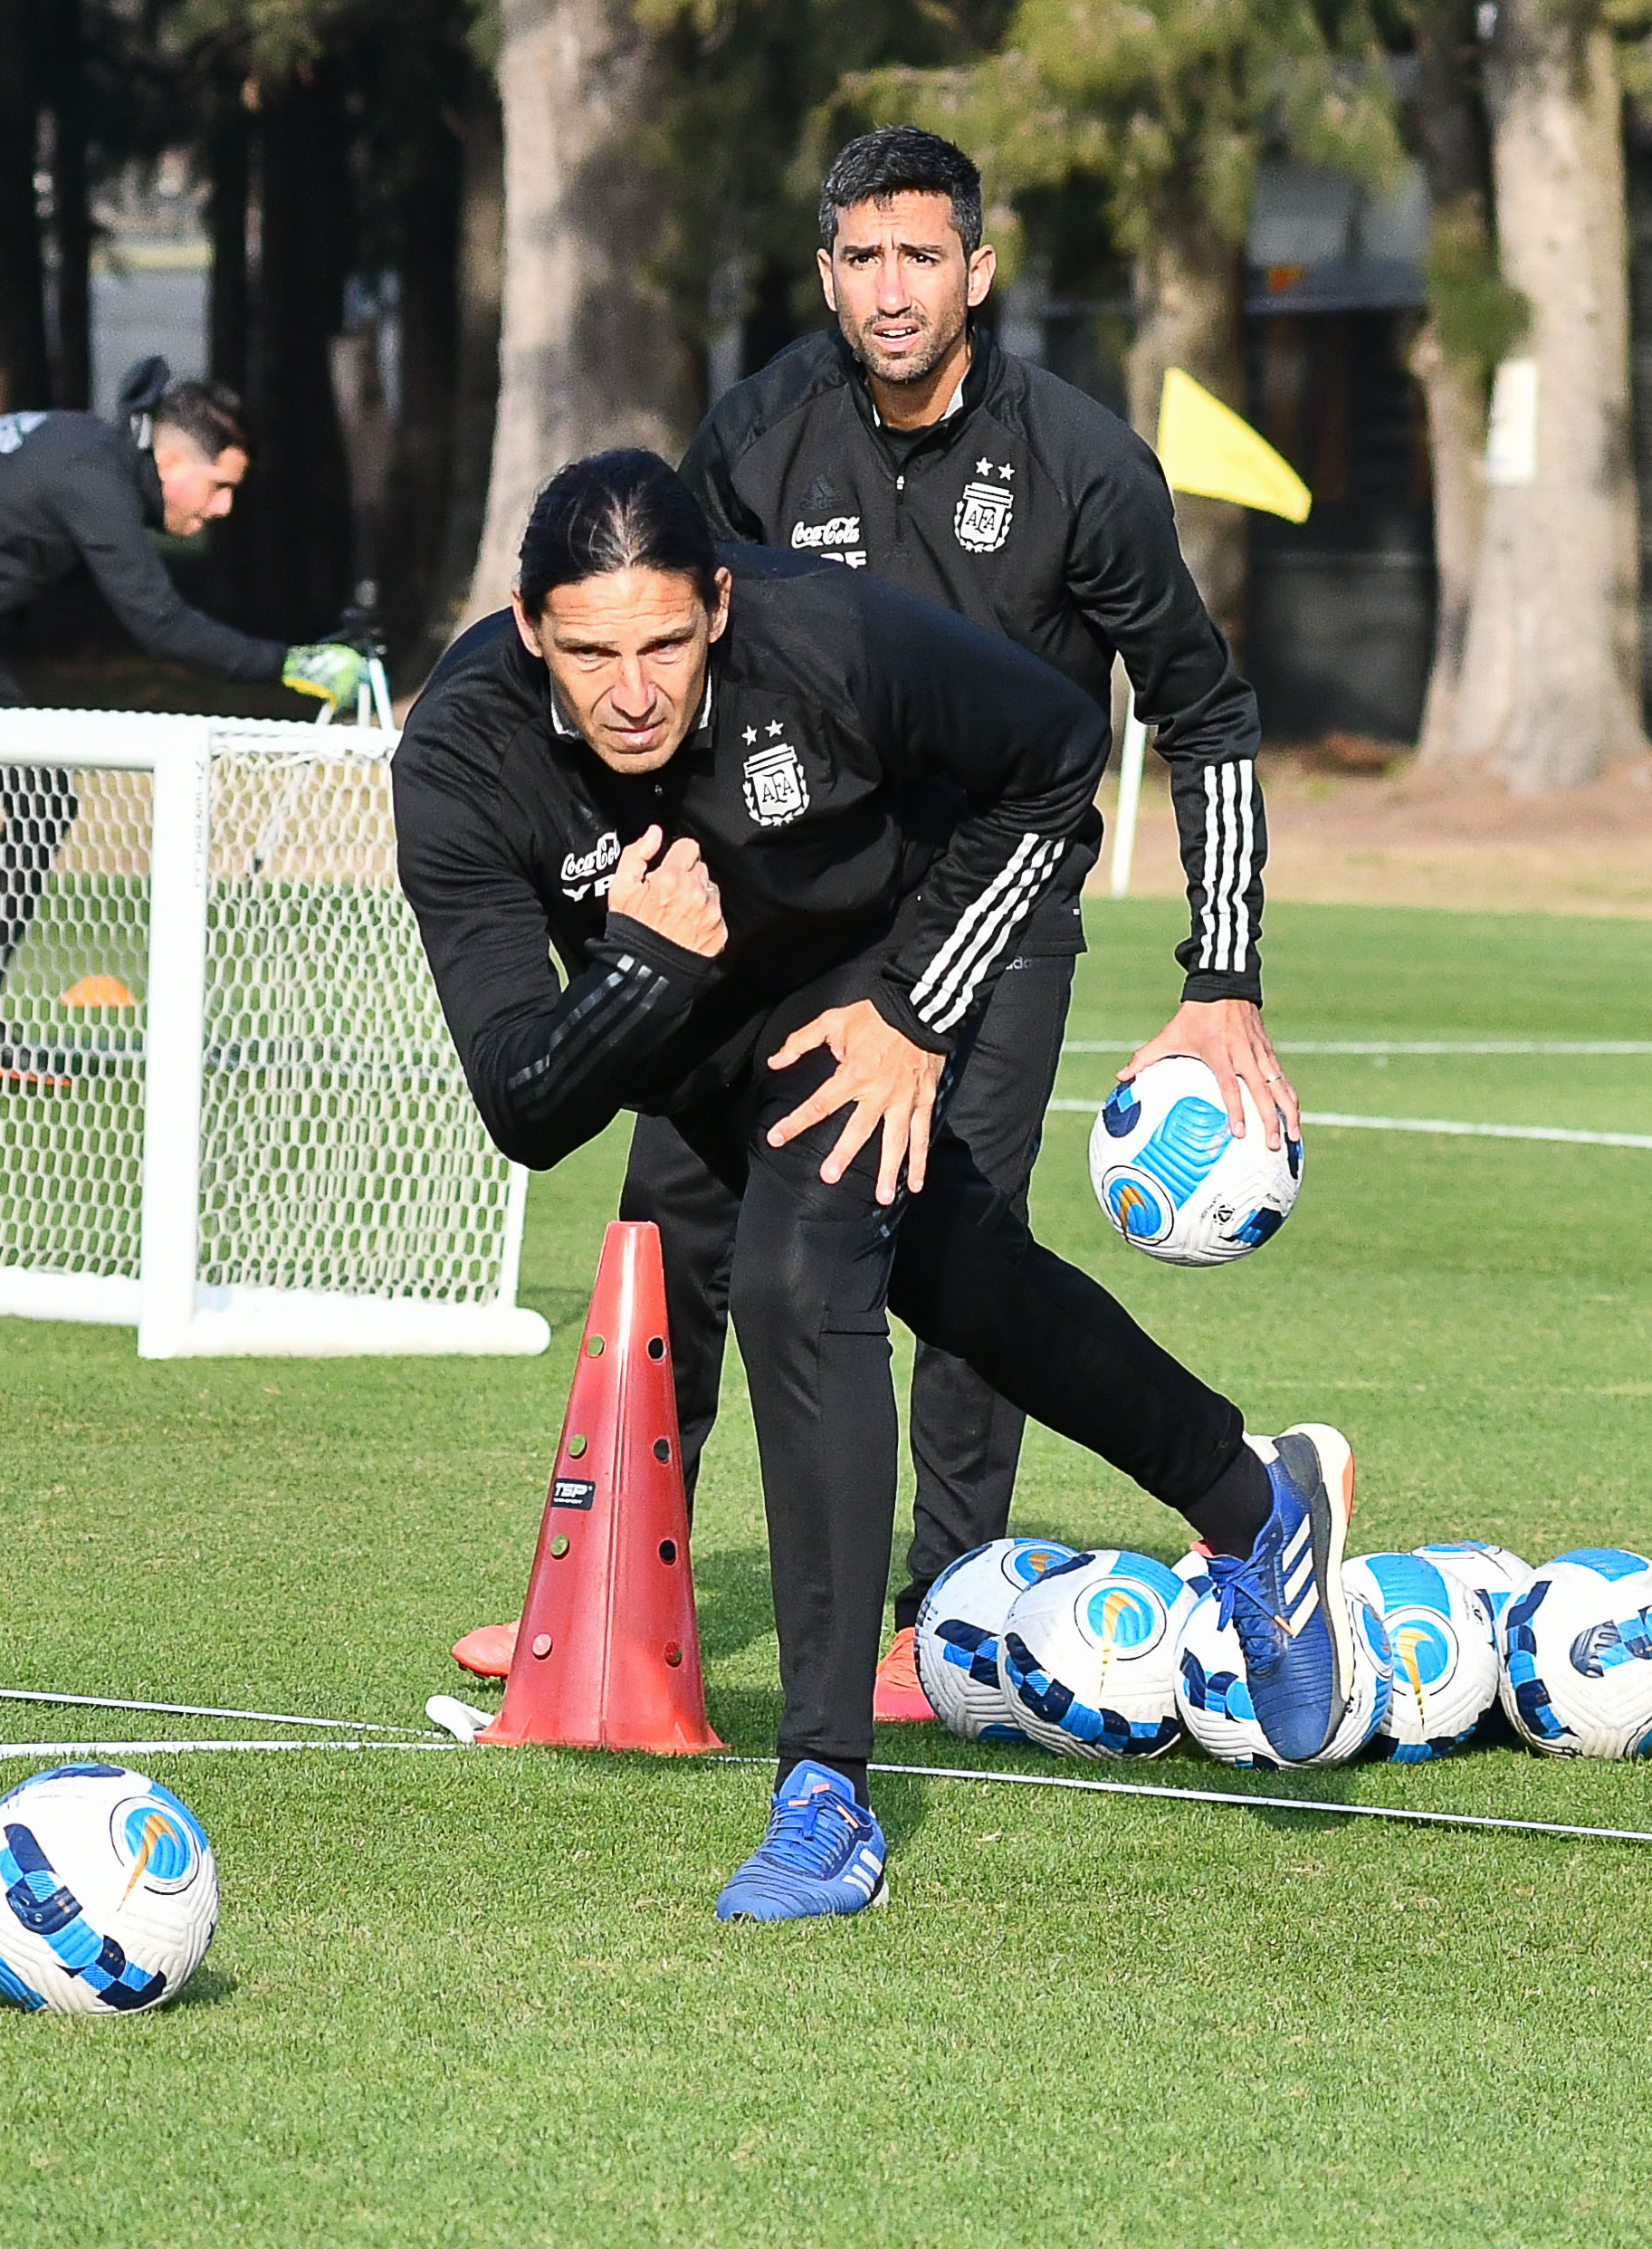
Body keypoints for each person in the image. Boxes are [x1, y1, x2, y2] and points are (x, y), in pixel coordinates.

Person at [393, 448, 1366, 1920]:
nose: (635, 687)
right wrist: (651, 962)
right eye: (591, 654)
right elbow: (526, 1101)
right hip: (689, 1022)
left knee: (798, 1280)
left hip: (876, 962)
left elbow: (1054, 760)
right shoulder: (463, 757)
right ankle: (1257, 1497)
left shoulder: (821, 630)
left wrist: (918, 1007)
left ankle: (826, 1792)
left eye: (665, 640)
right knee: (958, 1271)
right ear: (530, 633)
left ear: (716, 601)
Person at [445, 129, 1292, 1717]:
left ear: (978, 270)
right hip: (790, 913)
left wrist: (1222, 971)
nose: (888, 289)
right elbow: (656, 675)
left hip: (995, 904)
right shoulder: (760, 430)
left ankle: (944, 1606)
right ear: (824, 270)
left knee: (951, 1249)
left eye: (921, 256)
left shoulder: (1084, 462)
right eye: (858, 258)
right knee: (667, 1220)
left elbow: (1207, 711)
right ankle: (617, 1570)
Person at [0, 359, 371, 1095]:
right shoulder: (93, 477)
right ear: (173, 463)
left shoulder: (97, 458)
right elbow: (161, 626)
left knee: (42, 798)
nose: (224, 507)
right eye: (221, 486)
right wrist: (289, 662)